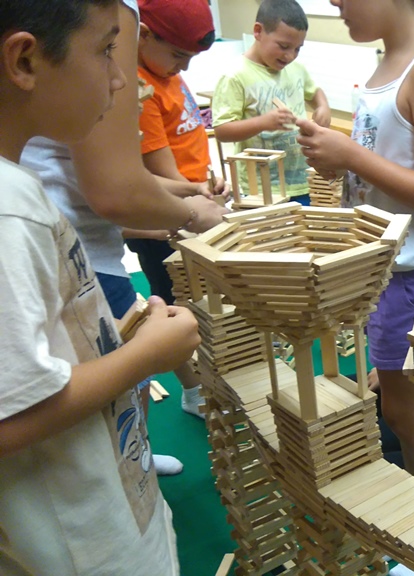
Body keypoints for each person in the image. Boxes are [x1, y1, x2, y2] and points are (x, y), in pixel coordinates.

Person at [0, 1, 201, 573]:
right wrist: (146, 356)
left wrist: (116, 333)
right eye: (107, 49)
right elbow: (10, 417)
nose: (119, 79)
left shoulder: (18, 192)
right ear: (24, 60)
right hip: (81, 544)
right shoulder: (10, 213)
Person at [20, 0, 229, 476]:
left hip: (94, 245)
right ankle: (131, 465)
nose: (120, 80)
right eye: (108, 51)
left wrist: (186, 193)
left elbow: (123, 181)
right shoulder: (24, 216)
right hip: (87, 255)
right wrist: (189, 214)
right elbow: (117, 190)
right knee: (122, 383)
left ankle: (135, 459)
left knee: (125, 384)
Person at [299, 0, 414, 501]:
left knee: (410, 416)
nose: (335, 2)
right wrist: (343, 162)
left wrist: (352, 155)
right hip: (391, 272)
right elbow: (392, 166)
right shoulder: (387, 65)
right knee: (402, 412)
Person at [130, 0, 227, 419]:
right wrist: (195, 199)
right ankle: (192, 390)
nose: (184, 67)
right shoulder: (140, 89)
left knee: (204, 299)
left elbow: (189, 140)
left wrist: (206, 186)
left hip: (191, 202)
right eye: (177, 55)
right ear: (144, 34)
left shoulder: (167, 74)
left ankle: (211, 374)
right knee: (174, 304)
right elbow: (160, 170)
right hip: (166, 218)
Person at [212, 0, 331, 206]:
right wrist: (263, 122)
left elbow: (315, 92)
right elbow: (222, 131)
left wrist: (323, 106)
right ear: (258, 31)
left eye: (297, 49)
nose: (290, 56)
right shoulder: (235, 76)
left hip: (299, 180)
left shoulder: (296, 69)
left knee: (301, 226)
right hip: (260, 186)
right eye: (284, 46)